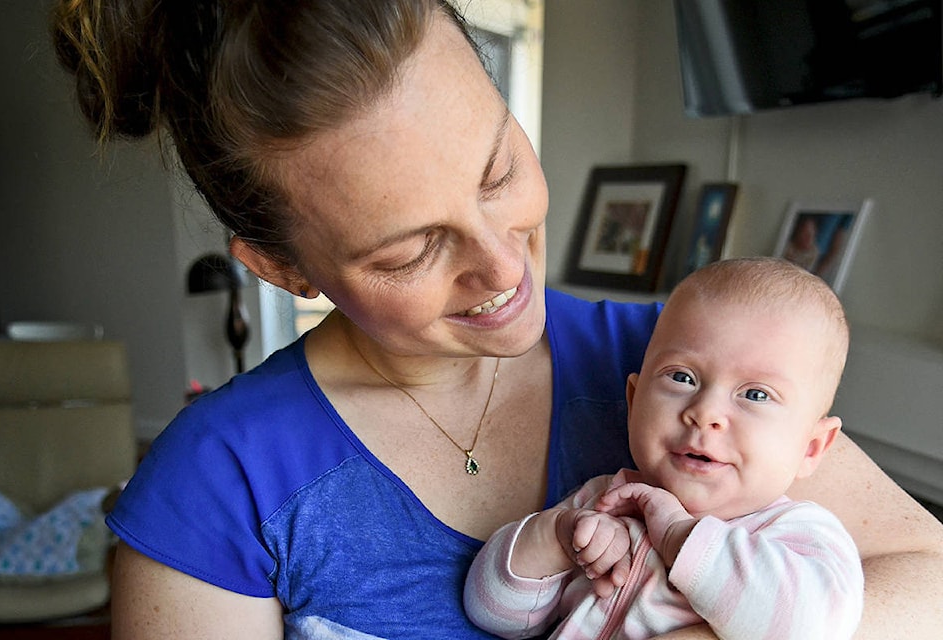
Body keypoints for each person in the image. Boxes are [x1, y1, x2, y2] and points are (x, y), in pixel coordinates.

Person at [50, 1, 943, 638]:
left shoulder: (682, 367)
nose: (504, 265)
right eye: (408, 250)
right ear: (283, 268)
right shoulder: (219, 484)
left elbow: (928, 580)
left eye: (499, 169)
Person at [464, 258, 864, 639]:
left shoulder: (799, 537)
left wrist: (680, 535)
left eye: (756, 394)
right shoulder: (603, 502)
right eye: (682, 377)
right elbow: (492, 614)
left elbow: (812, 630)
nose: (704, 413)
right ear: (634, 402)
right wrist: (553, 538)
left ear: (812, 448)